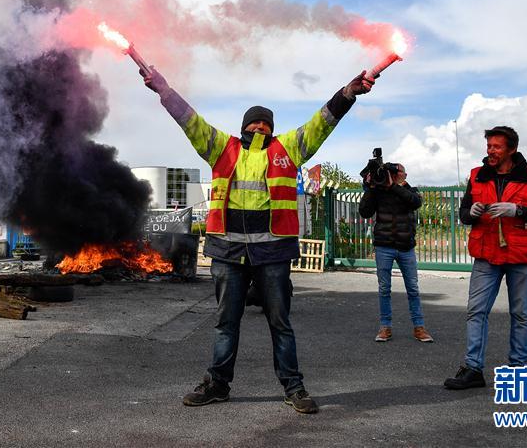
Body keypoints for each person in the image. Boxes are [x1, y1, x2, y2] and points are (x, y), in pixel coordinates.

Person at [141, 65, 375, 414]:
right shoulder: (221, 146)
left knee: (280, 323)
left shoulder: (289, 148)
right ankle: (218, 384)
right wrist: (162, 88)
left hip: (273, 253)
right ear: (243, 126)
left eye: (266, 122)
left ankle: (293, 387)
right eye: (255, 121)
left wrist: (347, 94)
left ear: (273, 128)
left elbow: (322, 122)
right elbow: (188, 119)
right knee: (225, 323)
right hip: (227, 253)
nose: (260, 125)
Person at [444, 126, 527, 390]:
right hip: (486, 254)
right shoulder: (477, 176)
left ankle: (519, 371)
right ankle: (473, 369)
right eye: (488, 146)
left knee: (521, 314)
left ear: (512, 149)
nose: (490, 151)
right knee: (476, 311)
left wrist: (517, 210)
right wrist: (470, 212)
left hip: (520, 255)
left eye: (496, 147)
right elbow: (463, 214)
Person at [358, 163, 433, 343]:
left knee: (413, 289)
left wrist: (394, 187)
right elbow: (365, 212)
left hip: (406, 246)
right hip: (384, 246)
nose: (391, 175)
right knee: (384, 289)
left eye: (396, 172)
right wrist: (369, 188)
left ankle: (419, 327)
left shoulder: (410, 190)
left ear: (403, 176)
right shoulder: (378, 191)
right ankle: (385, 327)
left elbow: (415, 202)